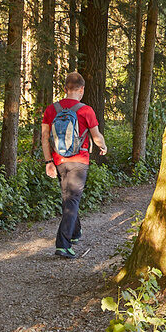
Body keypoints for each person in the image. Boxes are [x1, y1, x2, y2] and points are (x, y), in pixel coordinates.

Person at [41, 72, 108, 259]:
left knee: (68, 199)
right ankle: (63, 245)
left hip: (59, 160)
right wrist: (103, 146)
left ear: (65, 89)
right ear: (82, 89)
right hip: (79, 161)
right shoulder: (86, 110)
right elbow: (96, 137)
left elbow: (44, 138)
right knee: (72, 200)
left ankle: (75, 232)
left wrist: (49, 162)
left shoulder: (51, 109)